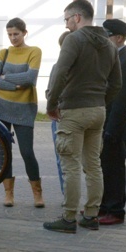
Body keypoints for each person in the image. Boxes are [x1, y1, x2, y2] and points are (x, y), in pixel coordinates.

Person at [44, 0, 122, 233]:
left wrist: (51, 104)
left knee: (71, 166)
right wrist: (100, 102)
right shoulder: (109, 44)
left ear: (77, 17)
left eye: (67, 19)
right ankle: (91, 215)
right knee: (93, 165)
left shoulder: (73, 40)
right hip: (98, 111)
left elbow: (60, 73)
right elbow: (117, 83)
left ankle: (68, 218)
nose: (66, 24)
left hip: (74, 110)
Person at [0, 18, 44, 208]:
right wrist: (14, 86)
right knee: (5, 152)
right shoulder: (3, 53)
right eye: (10, 34)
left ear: (24, 33)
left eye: (16, 34)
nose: (12, 38)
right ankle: (8, 194)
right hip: (1, 108)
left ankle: (37, 194)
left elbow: (30, 77)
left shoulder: (34, 51)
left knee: (27, 152)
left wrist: (6, 77)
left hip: (24, 109)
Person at [98, 19, 126, 225]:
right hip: (105, 124)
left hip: (115, 128)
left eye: (107, 36)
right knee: (104, 168)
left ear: (119, 38)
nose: (105, 40)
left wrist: (111, 131)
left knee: (114, 170)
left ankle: (115, 211)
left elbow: (123, 101)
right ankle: (104, 207)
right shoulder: (113, 58)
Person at [46, 30, 71, 196]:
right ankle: (67, 195)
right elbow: (49, 91)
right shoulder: (56, 67)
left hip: (71, 116)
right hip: (60, 117)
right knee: (61, 158)